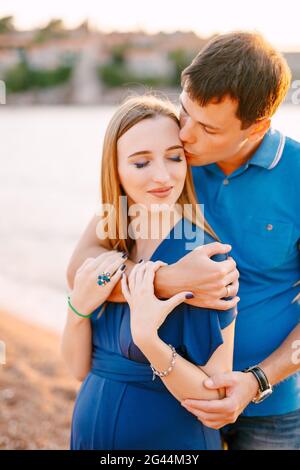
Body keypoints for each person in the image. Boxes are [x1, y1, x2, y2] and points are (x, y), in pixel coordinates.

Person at [66, 31, 300, 450]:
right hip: (172, 395)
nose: (186, 134)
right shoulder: (169, 162)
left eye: (207, 127)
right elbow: (82, 266)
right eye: (185, 111)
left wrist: (257, 380)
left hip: (271, 410)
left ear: (257, 127)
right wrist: (170, 282)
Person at [61, 96, 238, 450]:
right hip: (89, 436)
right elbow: (79, 369)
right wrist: (77, 310)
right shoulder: (112, 239)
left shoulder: (204, 260)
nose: (162, 176)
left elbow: (215, 397)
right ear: (116, 169)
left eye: (175, 157)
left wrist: (150, 343)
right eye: (141, 163)